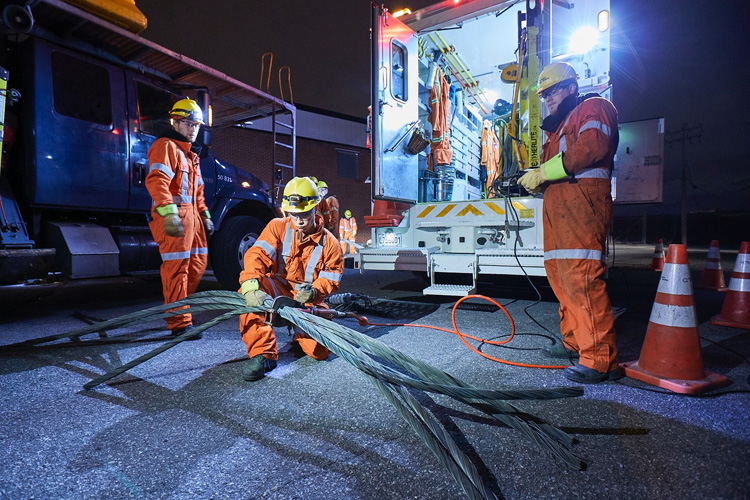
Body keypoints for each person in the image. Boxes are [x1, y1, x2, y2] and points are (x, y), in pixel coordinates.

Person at [518, 62, 620, 384]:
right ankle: (575, 343)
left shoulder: (595, 107)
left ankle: (599, 360)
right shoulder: (557, 129)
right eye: (544, 94)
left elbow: (592, 147)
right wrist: (537, 179)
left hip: (583, 209)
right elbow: (557, 168)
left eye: (553, 91)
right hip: (560, 214)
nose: (548, 99)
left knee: (582, 279)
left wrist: (543, 172)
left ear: (572, 87)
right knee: (562, 281)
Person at [238, 177, 344, 382]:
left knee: (319, 352)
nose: (299, 220)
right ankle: (263, 354)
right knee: (248, 293)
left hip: (309, 300)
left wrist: (314, 291)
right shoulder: (277, 227)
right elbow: (257, 255)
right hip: (280, 289)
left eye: (304, 214)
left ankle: (300, 333)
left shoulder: (331, 244)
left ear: (315, 208)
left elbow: (331, 278)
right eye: (293, 215)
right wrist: (251, 285)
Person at [146, 98, 214, 339]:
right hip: (175, 218)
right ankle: (179, 323)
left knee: (197, 266)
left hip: (192, 218)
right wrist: (168, 213)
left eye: (196, 125)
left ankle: (180, 310)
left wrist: (205, 215)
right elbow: (157, 181)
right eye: (188, 123)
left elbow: (198, 192)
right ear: (175, 121)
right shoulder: (166, 146)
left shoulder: (191, 155)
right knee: (177, 269)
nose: (193, 129)